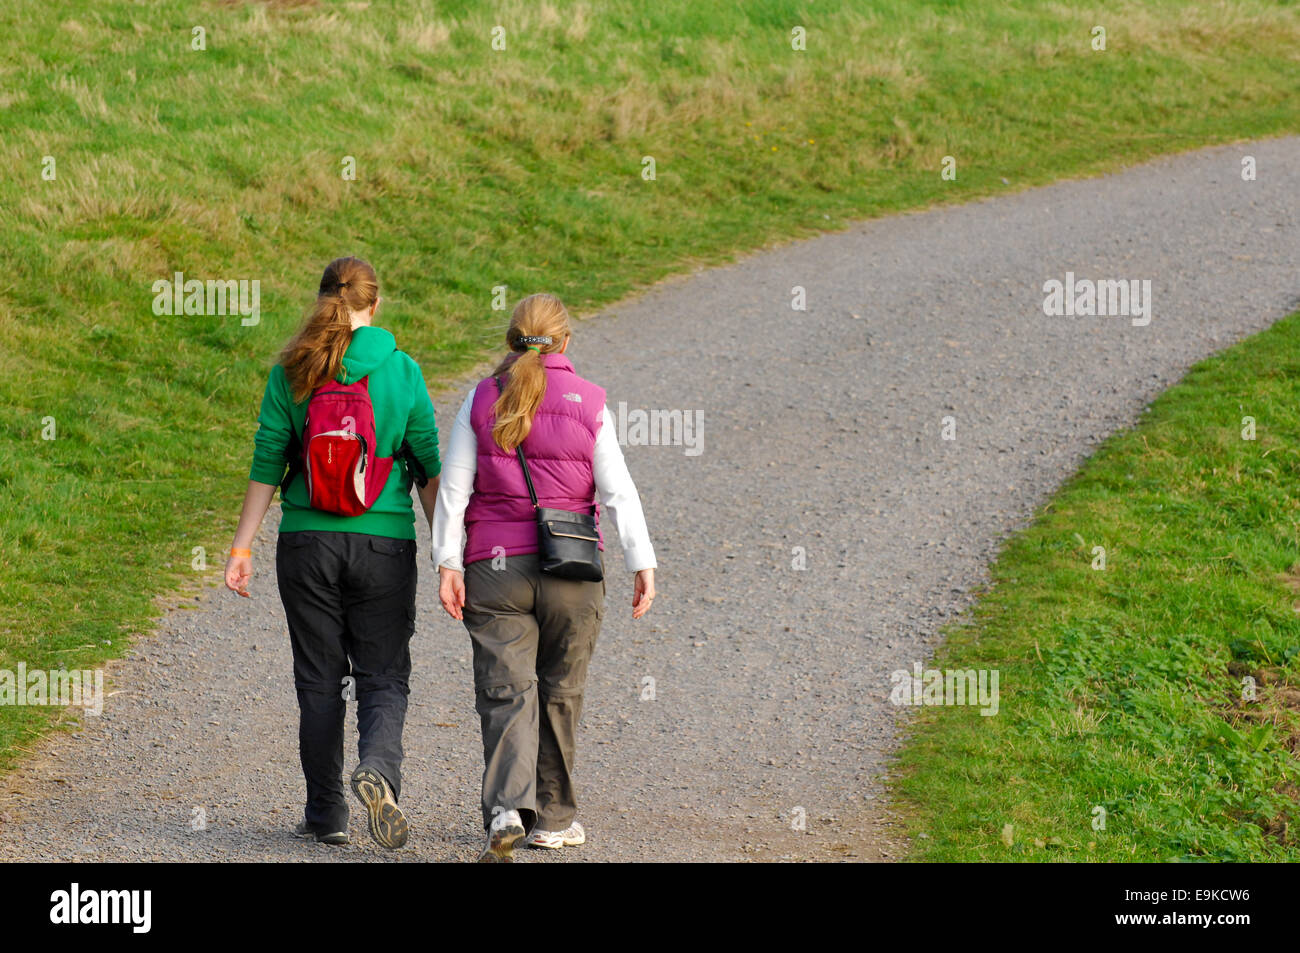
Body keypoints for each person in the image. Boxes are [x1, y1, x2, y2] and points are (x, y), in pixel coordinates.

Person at [224, 257, 442, 850]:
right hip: (384, 543)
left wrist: (242, 546)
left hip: (307, 543)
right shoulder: (402, 371)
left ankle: (326, 814)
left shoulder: (294, 368)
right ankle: (379, 771)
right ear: (376, 305)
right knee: (383, 675)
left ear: (322, 299)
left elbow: (269, 458)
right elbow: (427, 467)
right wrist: (451, 552)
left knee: (319, 680)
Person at [432, 292, 657, 862]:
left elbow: (454, 490)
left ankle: (507, 809)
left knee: (506, 691)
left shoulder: (483, 397)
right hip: (572, 569)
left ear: (512, 339)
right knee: (561, 691)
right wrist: (641, 561)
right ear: (565, 341)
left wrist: (448, 563)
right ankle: (553, 821)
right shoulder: (590, 401)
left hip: (495, 568)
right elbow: (617, 492)